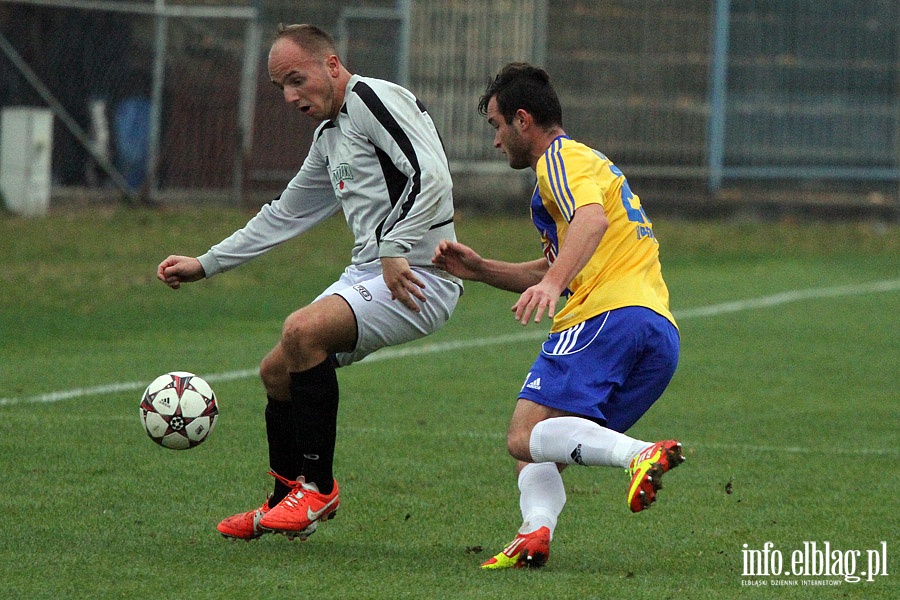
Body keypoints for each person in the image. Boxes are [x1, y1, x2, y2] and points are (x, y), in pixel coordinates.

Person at [157, 24, 462, 541]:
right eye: (281, 88)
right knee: (276, 370)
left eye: (297, 80)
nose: (291, 96)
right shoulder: (329, 137)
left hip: (419, 275)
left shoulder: (371, 97)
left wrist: (392, 247)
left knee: (302, 331)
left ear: (332, 65)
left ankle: (318, 488)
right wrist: (206, 263)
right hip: (372, 271)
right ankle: (285, 498)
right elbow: (284, 215)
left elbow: (431, 176)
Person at [432, 63, 683, 569]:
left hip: (604, 317)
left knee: (522, 435)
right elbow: (559, 263)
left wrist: (551, 285)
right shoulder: (587, 164)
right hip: (655, 328)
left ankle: (639, 455)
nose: (497, 141)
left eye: (497, 126)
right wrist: (481, 269)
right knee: (543, 448)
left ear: (523, 120)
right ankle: (534, 534)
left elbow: (591, 223)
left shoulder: (559, 162)